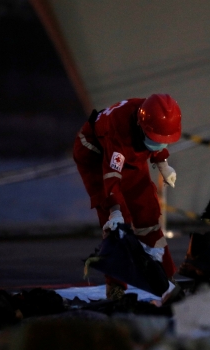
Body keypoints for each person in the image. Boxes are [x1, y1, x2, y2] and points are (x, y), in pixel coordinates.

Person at [73, 94, 181, 299]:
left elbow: (157, 135)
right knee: (116, 227)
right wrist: (114, 211)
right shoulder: (120, 131)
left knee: (148, 211)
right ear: (141, 126)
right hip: (95, 154)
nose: (159, 144)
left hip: (133, 149)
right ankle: (115, 286)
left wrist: (163, 164)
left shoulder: (149, 115)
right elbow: (111, 176)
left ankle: (167, 278)